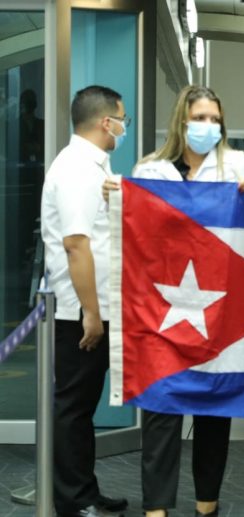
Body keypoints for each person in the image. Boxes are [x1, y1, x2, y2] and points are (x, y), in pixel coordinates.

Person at [104, 85, 244, 517]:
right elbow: (134, 234)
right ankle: (156, 508)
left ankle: (207, 505)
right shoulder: (152, 168)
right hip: (160, 309)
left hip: (218, 310)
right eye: (199, 118)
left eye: (214, 119)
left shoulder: (237, 165)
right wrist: (120, 198)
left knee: (213, 411)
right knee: (161, 409)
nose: (208, 127)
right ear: (181, 121)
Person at [41, 85, 130, 517]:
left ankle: (85, 491)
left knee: (81, 407)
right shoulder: (77, 167)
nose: (123, 127)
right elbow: (77, 244)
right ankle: (73, 501)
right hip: (80, 312)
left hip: (95, 307)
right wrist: (92, 314)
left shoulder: (94, 167)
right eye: (122, 119)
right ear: (105, 122)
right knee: (73, 408)